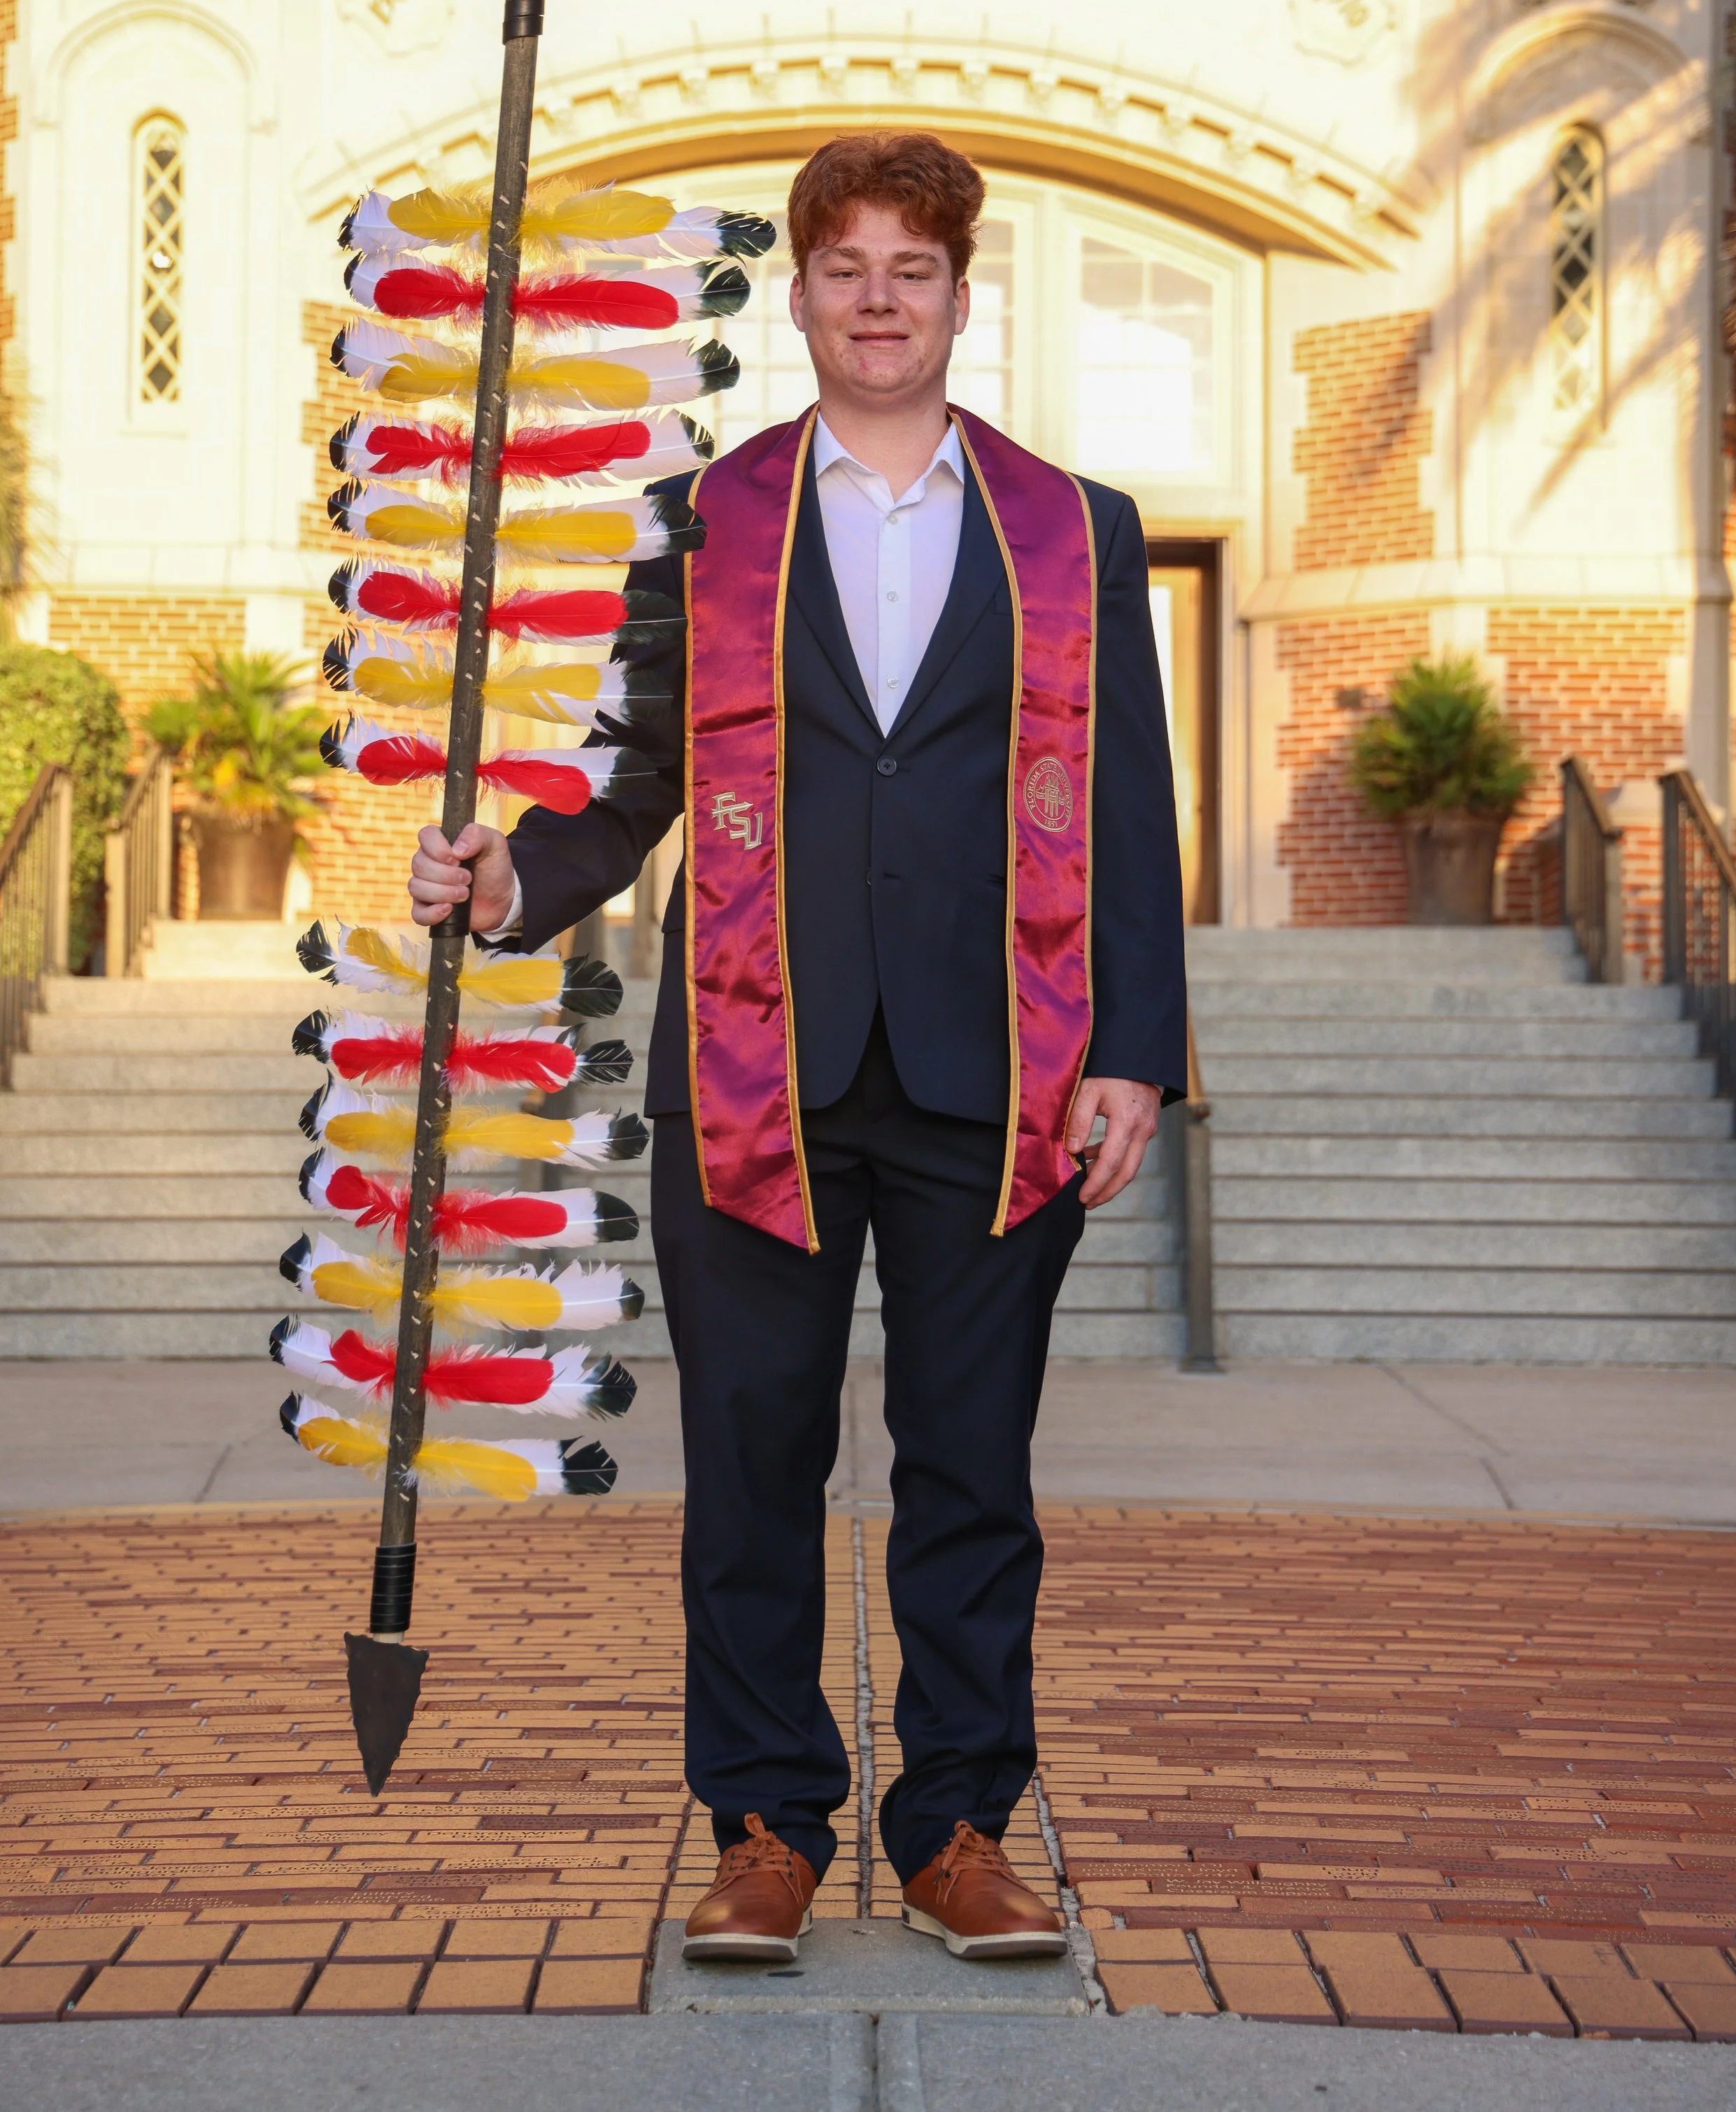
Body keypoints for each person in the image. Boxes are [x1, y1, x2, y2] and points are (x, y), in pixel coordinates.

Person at [410, 132, 1186, 1963]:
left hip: (1001, 1067)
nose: (877, 298)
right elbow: (635, 782)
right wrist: (519, 872)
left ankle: (958, 1825)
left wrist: (1133, 1046)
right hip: (748, 1069)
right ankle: (765, 1820)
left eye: (910, 267)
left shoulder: (1075, 525)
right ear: (805, 294)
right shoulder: (710, 517)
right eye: (843, 265)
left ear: (958, 293)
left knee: (970, 1465)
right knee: (752, 1461)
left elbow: (1133, 811)